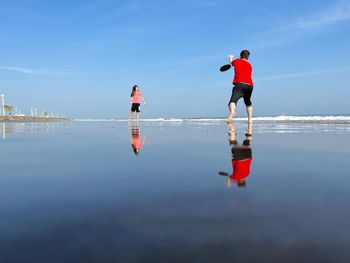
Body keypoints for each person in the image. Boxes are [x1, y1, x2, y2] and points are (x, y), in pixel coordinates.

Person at [226, 50, 254, 124]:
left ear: (240, 55)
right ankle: (250, 120)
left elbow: (231, 62)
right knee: (248, 102)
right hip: (250, 86)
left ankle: (232, 112)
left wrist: (230, 57)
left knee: (232, 102)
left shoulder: (237, 61)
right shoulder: (250, 65)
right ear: (248, 57)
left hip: (240, 84)